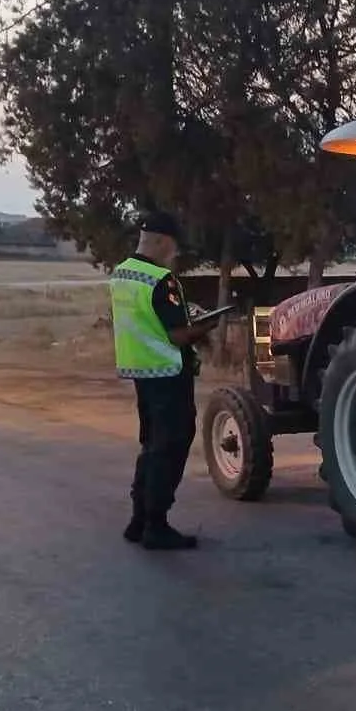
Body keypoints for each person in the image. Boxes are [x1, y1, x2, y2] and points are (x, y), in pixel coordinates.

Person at [109, 211, 220, 550]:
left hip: (141, 371)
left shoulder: (121, 274)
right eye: (171, 248)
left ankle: (139, 519)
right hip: (168, 372)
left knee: (151, 446)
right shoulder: (161, 279)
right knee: (169, 448)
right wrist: (207, 325)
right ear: (158, 241)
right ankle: (156, 525)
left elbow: (146, 323)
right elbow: (177, 334)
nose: (173, 255)